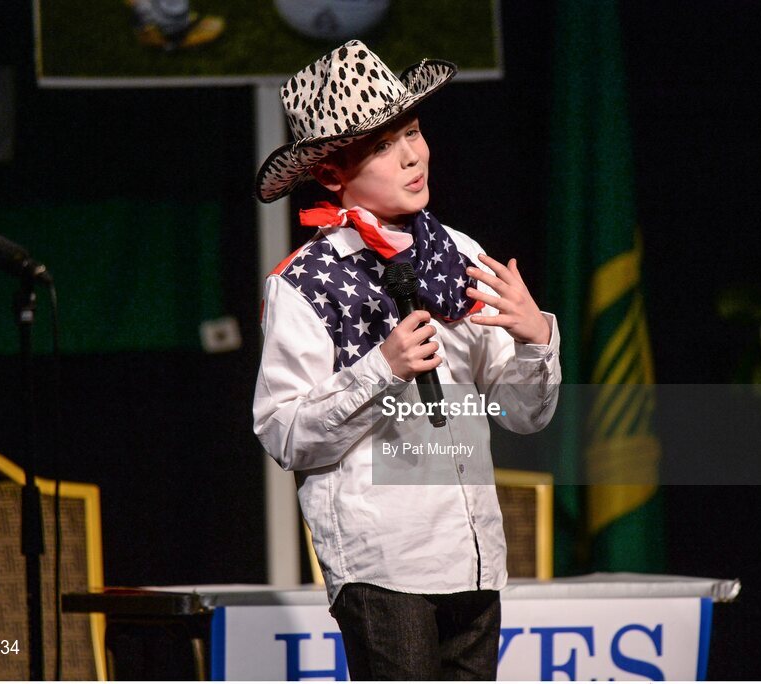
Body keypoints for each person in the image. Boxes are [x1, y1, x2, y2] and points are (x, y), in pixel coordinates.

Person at [253, 40, 561, 680]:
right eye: (382, 146)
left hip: (473, 553)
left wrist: (535, 339)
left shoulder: (457, 251)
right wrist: (381, 369)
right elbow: (284, 433)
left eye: (413, 132)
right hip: (384, 559)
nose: (413, 155)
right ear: (333, 174)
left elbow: (523, 414)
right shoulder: (306, 283)